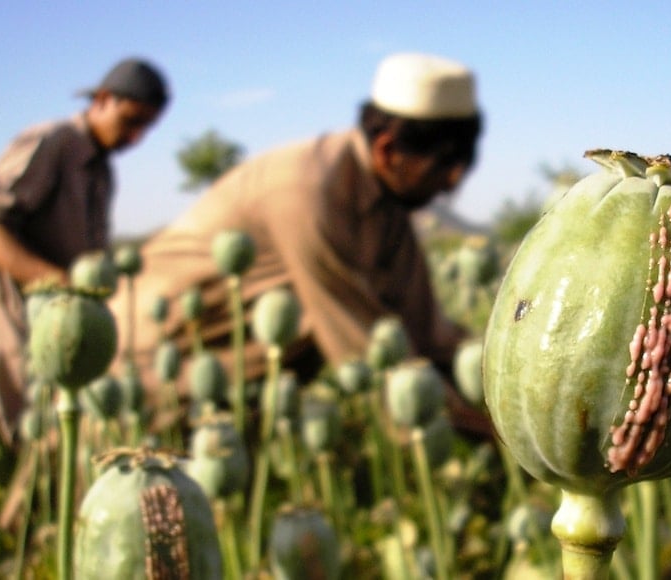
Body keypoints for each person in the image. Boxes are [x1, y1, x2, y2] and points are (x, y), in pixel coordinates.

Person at [109, 52, 491, 436]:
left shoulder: (389, 204)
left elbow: (428, 333)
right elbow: (370, 358)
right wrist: (505, 442)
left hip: (233, 397)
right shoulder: (306, 193)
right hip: (143, 377)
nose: (452, 184)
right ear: (388, 151)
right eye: (445, 165)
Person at [0, 58, 169, 445]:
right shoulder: (56, 142)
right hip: (18, 315)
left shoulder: (102, 171)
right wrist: (58, 283)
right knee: (32, 434)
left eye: (146, 127)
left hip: (64, 320)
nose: (136, 137)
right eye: (131, 121)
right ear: (103, 100)